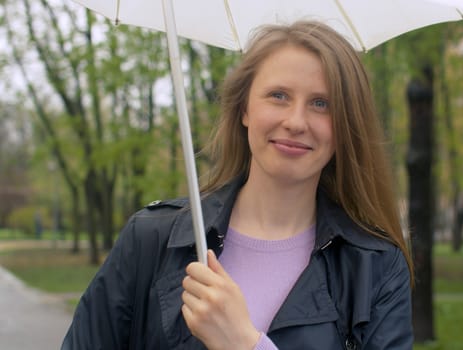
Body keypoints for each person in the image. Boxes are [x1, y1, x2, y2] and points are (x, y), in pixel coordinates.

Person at [62, 20, 414, 350]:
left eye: (321, 104)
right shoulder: (152, 239)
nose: (295, 121)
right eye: (278, 95)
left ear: (345, 126)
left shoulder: (376, 267)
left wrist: (245, 343)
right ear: (244, 109)